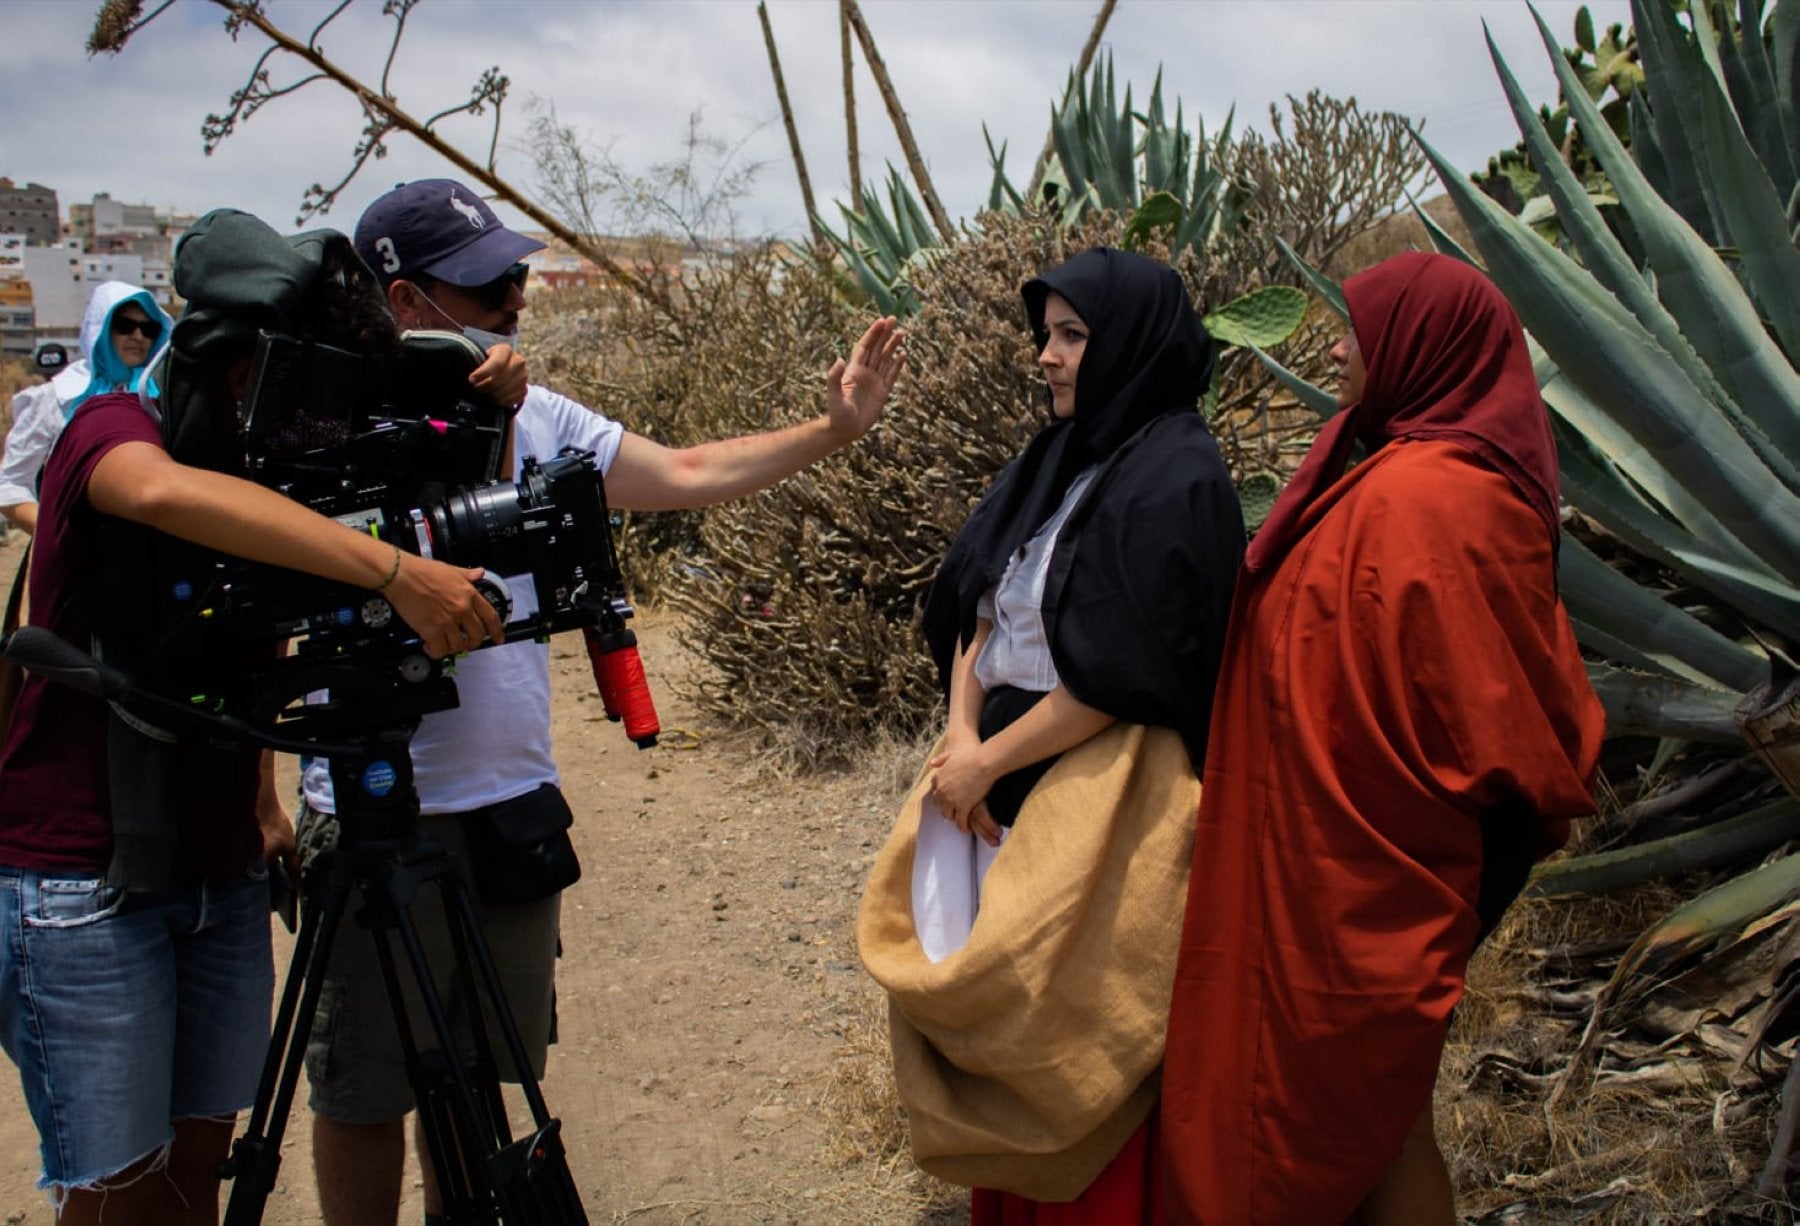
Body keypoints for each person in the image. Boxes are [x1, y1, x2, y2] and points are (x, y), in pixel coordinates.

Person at [297, 177, 905, 1226]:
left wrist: (835, 429)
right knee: (363, 1091)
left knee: (480, 1078)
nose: (513, 300)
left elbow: (687, 469)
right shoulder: (327, 421)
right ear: (402, 300)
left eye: (515, 277)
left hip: (510, 803)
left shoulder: (538, 415)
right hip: (376, 804)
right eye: (484, 286)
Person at [0, 210, 513, 1225]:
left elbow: (264, 629)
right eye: (254, 384)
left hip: (214, 869)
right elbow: (152, 493)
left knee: (199, 1158)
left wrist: (484, 394)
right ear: (215, 361)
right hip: (80, 874)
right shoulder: (115, 428)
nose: (265, 411)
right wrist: (393, 570)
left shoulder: (262, 478)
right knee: (119, 1193)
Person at [1159, 251, 1607, 1224]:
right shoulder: (1422, 477)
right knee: (1374, 1117)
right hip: (1344, 850)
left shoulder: (1433, 497)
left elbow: (1479, 708)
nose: (1332, 345)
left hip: (1383, 865)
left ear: (1419, 345)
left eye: (1355, 333)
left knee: (1376, 1117)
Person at [858, 247, 1244, 1220]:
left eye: (1072, 335)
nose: (1047, 355)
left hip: (1101, 802)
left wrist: (989, 758)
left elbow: (1136, 666)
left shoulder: (1178, 476)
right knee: (1009, 1026)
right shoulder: (1056, 457)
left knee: (1086, 1030)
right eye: (1047, 334)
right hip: (990, 788)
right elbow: (975, 608)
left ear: (1129, 342)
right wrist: (960, 746)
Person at [1, 283, 173, 535]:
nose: (138, 337)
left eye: (149, 329)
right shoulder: (57, 397)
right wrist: (56, 537)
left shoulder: (160, 397)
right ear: (100, 328)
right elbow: (10, 484)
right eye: (125, 326)